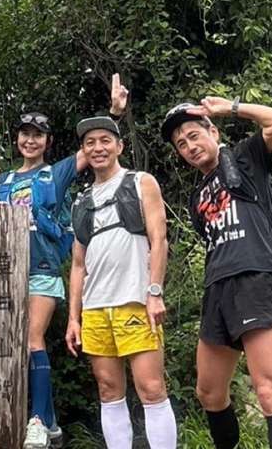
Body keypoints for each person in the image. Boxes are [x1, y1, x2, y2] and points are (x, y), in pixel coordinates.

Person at [0, 75, 127, 449]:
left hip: (43, 269)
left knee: (31, 340)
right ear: (17, 139)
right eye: (25, 134)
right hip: (8, 274)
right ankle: (49, 424)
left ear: (47, 142)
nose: (30, 140)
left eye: (38, 135)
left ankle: (37, 420)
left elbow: (94, 149)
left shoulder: (57, 172)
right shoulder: (4, 180)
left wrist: (114, 113)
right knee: (13, 345)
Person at [160, 97, 272, 449]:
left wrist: (230, 108)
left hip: (254, 277)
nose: (189, 147)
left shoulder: (245, 159)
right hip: (217, 287)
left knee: (268, 390)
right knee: (208, 391)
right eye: (181, 144)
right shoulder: (197, 197)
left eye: (194, 136)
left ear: (213, 132)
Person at [65, 116, 176, 449]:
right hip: (95, 307)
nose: (97, 148)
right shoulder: (81, 201)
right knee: (108, 390)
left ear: (119, 146)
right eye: (90, 143)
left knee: (151, 387)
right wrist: (73, 317)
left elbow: (159, 239)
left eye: (105, 140)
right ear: (84, 151)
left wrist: (154, 292)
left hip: (135, 300)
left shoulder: (140, 182)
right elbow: (78, 264)